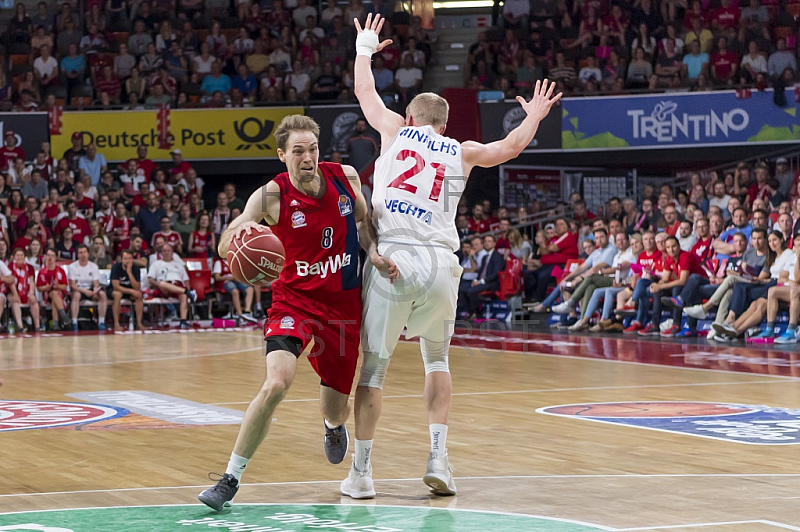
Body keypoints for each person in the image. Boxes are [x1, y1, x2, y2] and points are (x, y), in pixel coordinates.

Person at [340, 14, 561, 499]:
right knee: (436, 361)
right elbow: (510, 146)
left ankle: (361, 472)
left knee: (374, 370)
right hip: (443, 264)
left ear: (413, 118)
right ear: (444, 125)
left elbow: (364, 95)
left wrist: (365, 49)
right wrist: (535, 115)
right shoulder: (460, 150)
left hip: (395, 259)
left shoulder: (395, 131)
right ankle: (439, 458)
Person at [197, 114, 378, 511]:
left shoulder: (345, 177)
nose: (307, 157)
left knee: (335, 407)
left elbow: (364, 222)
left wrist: (375, 253)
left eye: (312, 149)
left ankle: (333, 427)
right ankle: (230, 479)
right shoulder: (271, 195)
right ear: (283, 155)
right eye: (298, 151)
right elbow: (232, 233)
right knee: (276, 382)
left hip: (342, 307)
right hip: (293, 301)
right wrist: (237, 245)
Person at [147, 243, 196, 329]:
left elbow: (185, 280)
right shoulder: (156, 264)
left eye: (168, 251)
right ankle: (186, 292)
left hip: (178, 285)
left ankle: (183, 321)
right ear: (161, 253)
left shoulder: (179, 265)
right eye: (164, 251)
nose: (166, 253)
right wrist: (157, 284)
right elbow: (150, 279)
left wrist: (188, 288)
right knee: (162, 283)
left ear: (172, 252)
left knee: (183, 296)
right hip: (163, 287)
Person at [69, 244, 108, 331]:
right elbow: (72, 286)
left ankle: (101, 322)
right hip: (79, 289)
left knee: (102, 294)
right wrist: (84, 291)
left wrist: (94, 291)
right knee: (76, 295)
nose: (83, 255)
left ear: (88, 253)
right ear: (77, 255)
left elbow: (96, 283)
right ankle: (74, 322)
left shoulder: (93, 266)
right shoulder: (72, 267)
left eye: (85, 252)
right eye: (80, 253)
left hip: (90, 290)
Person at [36, 248, 71, 330]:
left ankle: (56, 325)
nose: (50, 258)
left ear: (55, 258)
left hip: (60, 294)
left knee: (54, 295)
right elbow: (39, 288)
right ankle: (64, 316)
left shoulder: (61, 271)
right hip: (47, 294)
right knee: (53, 293)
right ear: (45, 257)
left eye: (52, 256)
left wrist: (57, 286)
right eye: (48, 255)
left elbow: (65, 286)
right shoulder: (41, 272)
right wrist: (46, 287)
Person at [110, 249, 144, 331]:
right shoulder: (116, 267)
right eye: (125, 259)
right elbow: (116, 286)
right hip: (116, 290)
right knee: (118, 294)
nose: (127, 261)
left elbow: (137, 287)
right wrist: (131, 291)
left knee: (139, 295)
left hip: (129, 289)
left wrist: (129, 273)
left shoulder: (135, 269)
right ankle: (116, 324)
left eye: (129, 258)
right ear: (121, 259)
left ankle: (139, 323)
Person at [8, 248, 41, 333]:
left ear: (25, 256)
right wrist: (15, 294)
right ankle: (20, 326)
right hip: (12, 291)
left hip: (26, 291)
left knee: (34, 302)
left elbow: (31, 281)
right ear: (14, 257)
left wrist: (31, 293)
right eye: (17, 255)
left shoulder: (29, 267)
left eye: (22, 255)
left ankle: (37, 326)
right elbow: (11, 282)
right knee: (14, 301)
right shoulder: (10, 266)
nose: (20, 257)